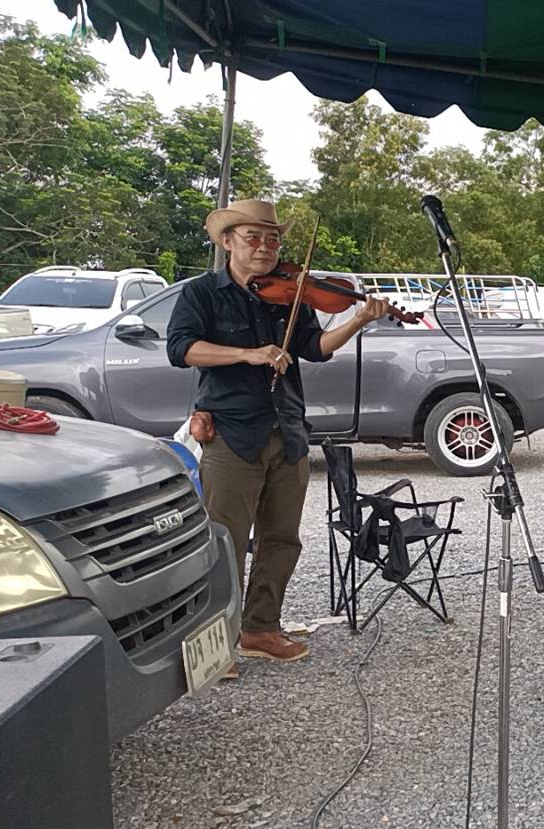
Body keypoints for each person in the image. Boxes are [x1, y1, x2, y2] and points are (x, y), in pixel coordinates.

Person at [167, 198, 390, 668]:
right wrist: (247, 354)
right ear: (227, 242)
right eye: (253, 238)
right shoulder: (202, 293)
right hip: (232, 431)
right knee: (225, 539)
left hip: (287, 428)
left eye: (272, 239)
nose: (265, 247)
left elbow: (315, 348)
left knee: (282, 539)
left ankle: (260, 628)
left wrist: (357, 320)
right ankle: (216, 641)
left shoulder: (290, 292)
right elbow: (181, 349)